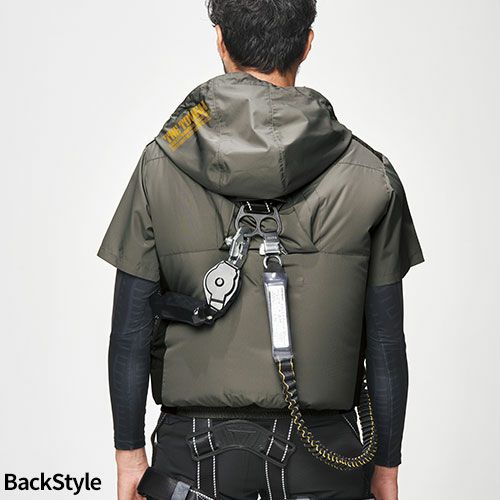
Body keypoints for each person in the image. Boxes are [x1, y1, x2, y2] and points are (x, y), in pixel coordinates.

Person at [97, 1, 424, 499]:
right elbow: (384, 343)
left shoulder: (160, 163)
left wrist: (128, 457)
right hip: (325, 456)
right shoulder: (370, 174)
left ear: (220, 40)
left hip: (192, 460)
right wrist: (386, 469)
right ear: (307, 43)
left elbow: (129, 329)